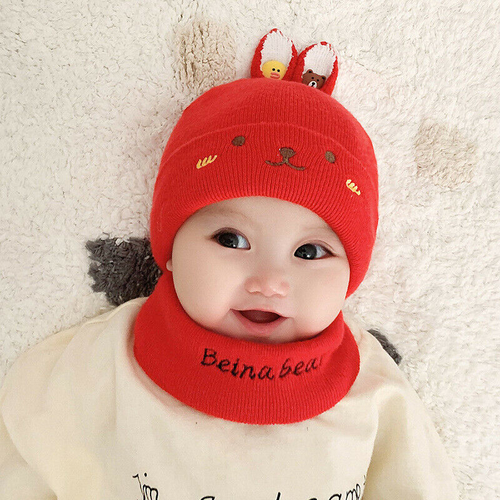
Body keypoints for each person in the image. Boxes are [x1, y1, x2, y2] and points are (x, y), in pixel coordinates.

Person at [0, 29, 459, 499]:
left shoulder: (373, 390)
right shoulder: (101, 364)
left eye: (309, 252)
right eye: (231, 239)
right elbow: (22, 455)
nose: (269, 282)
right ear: (170, 250)